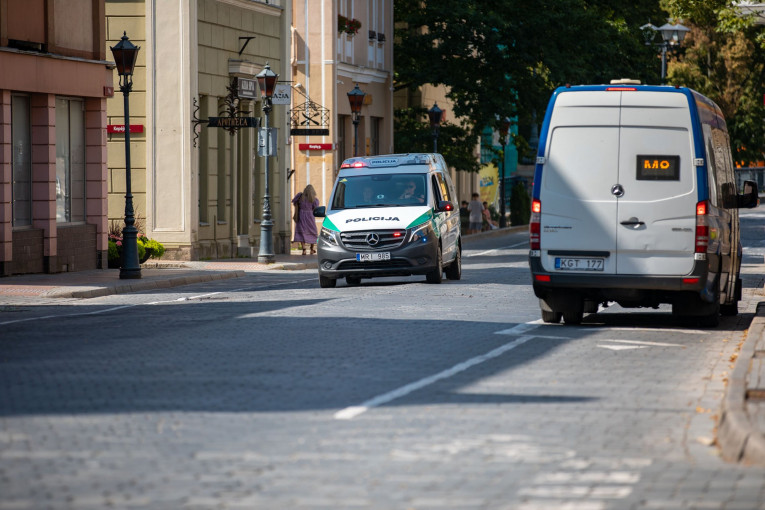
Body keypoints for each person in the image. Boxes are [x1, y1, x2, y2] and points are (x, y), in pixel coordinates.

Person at [292, 184, 320, 255]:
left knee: (301, 231)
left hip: (301, 215)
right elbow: (315, 208)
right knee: (312, 231)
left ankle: (304, 248)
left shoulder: (300, 197)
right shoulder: (314, 199)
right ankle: (311, 249)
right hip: (310, 216)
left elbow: (294, 202)